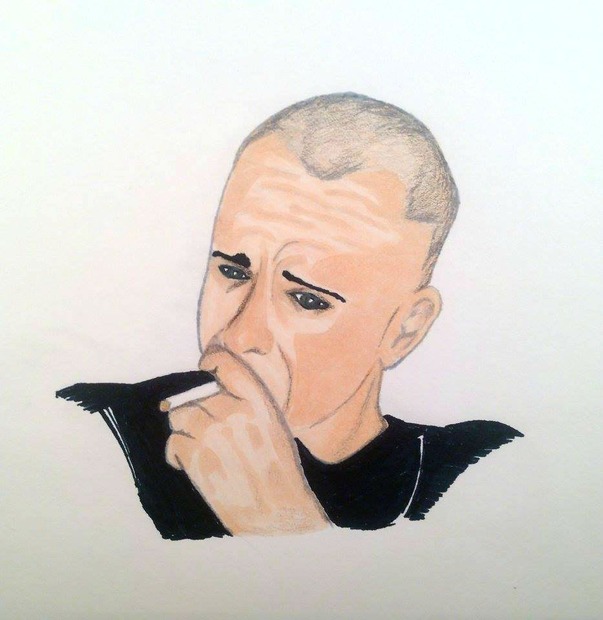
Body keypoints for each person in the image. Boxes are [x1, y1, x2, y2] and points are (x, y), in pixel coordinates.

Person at [57, 92, 522, 539]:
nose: (240, 335)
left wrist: (280, 521)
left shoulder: (477, 473)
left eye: (307, 300)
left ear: (405, 329)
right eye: (232, 271)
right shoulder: (100, 426)